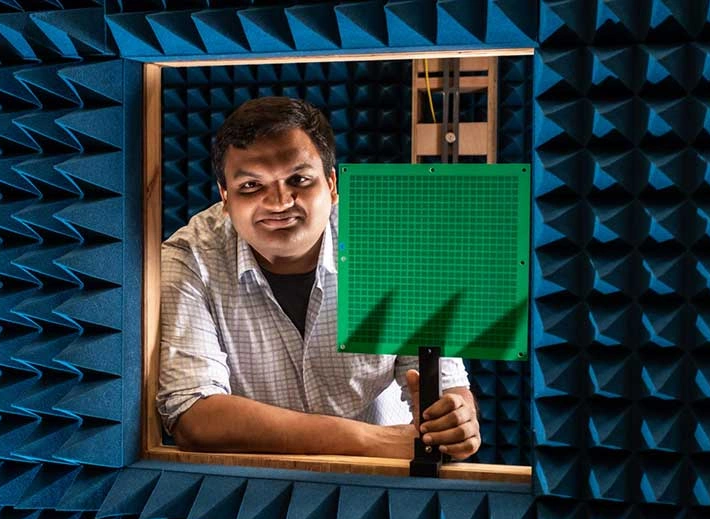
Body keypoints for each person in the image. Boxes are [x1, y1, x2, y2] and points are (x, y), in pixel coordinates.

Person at [156, 96, 480, 461]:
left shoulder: (395, 244)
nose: (278, 202)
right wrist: (373, 443)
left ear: (331, 184)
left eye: (299, 179)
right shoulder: (190, 259)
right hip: (251, 494)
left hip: (385, 488)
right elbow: (193, 416)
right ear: (225, 196)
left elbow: (446, 389)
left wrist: (455, 419)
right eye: (250, 186)